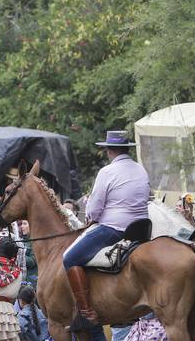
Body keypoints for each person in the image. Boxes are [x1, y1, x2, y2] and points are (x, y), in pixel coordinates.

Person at [62, 130, 150, 323]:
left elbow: (94, 208)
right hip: (143, 228)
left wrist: (91, 218)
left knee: (69, 258)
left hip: (115, 229)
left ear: (109, 151)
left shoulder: (107, 172)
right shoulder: (140, 169)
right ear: (127, 149)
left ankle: (86, 311)